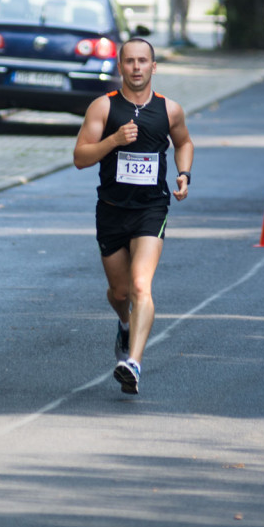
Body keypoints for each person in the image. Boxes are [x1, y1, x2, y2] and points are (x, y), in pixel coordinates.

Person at [73, 38, 194, 395]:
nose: (136, 68)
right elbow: (80, 157)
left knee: (141, 285)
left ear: (154, 67)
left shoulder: (169, 110)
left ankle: (134, 363)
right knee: (120, 291)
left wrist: (184, 174)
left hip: (150, 209)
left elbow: (184, 142)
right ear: (120, 66)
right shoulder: (103, 108)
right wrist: (113, 140)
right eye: (130, 62)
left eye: (143, 61)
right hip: (111, 211)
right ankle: (124, 324)